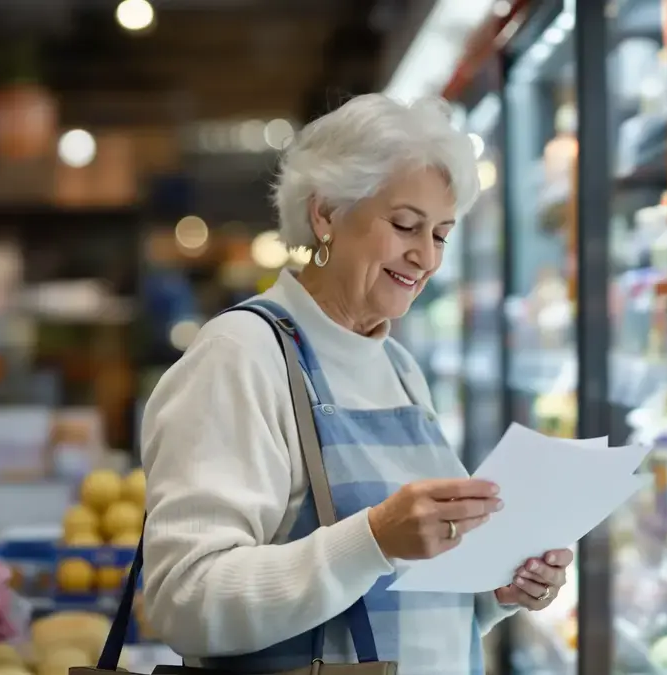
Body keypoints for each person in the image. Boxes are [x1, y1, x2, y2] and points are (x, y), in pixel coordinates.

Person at [140, 93, 573, 675]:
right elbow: (184, 600)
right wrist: (371, 539)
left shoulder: (399, 368)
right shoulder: (240, 356)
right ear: (325, 214)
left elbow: (407, 597)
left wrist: (494, 590)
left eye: (441, 235)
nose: (425, 258)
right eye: (404, 226)